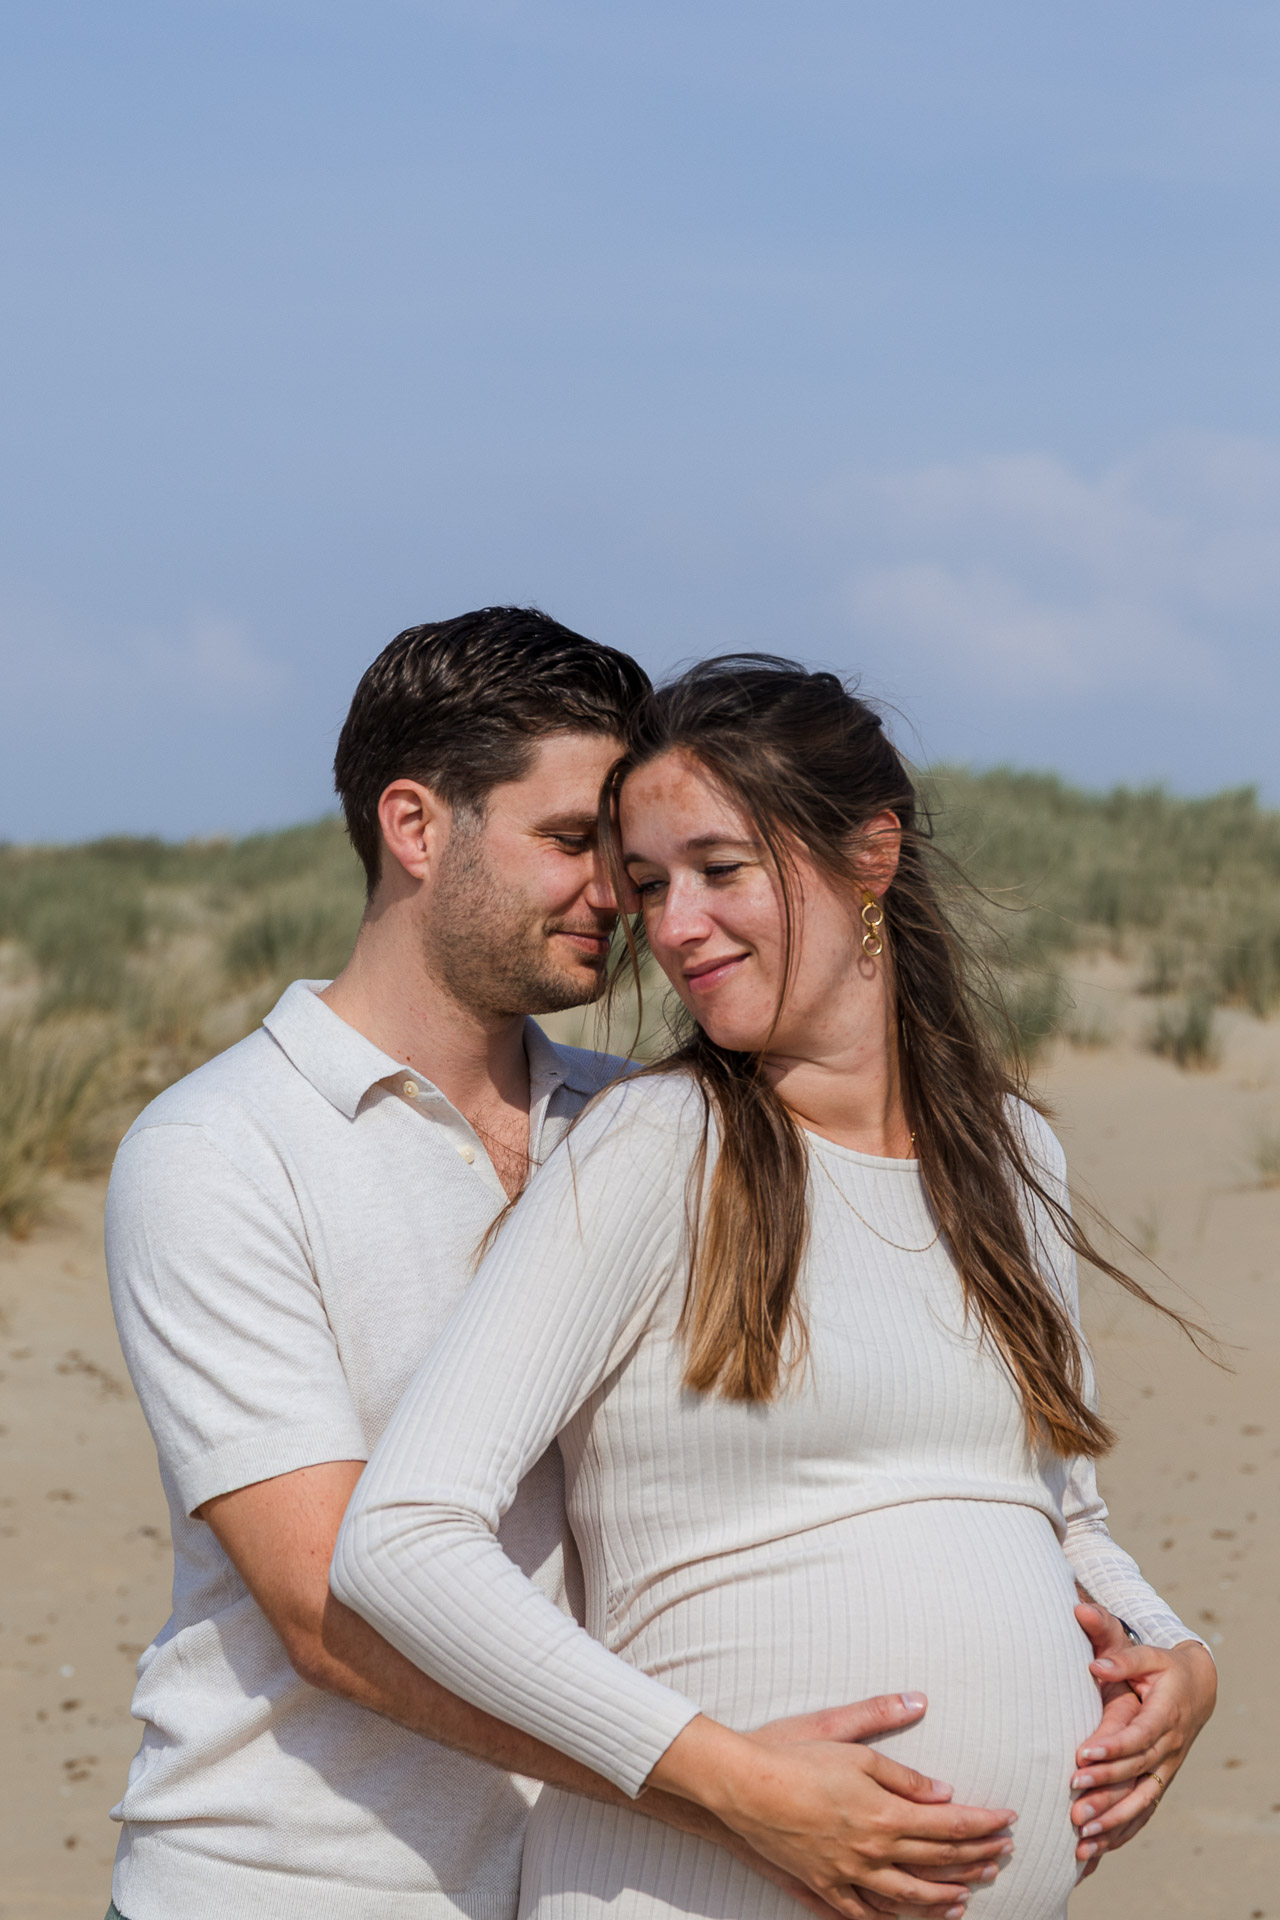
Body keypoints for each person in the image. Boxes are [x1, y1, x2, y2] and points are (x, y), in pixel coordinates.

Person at [104, 612, 1024, 1920]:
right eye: (570, 844)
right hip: (292, 1882)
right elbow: (325, 1613)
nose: (620, 897)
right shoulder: (221, 1149)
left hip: (584, 1886)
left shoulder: (635, 1120)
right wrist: (727, 1786)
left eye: (631, 859)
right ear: (416, 828)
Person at [333, 655, 1218, 1920]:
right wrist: (731, 1780)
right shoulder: (657, 1148)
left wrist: (1179, 1655)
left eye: (719, 868)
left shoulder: (1012, 1151)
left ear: (869, 854)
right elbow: (402, 1538)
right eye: (645, 885)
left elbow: (1061, 1508)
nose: (672, 923)